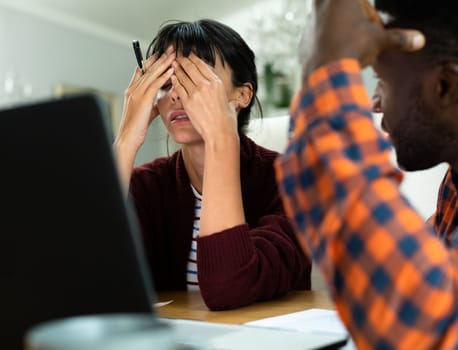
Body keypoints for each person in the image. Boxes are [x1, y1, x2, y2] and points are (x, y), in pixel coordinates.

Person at [274, 0, 458, 348]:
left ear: (445, 87)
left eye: (381, 80)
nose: (373, 103)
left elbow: (422, 326)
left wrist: (326, 70)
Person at [113, 19, 311, 311]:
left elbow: (230, 288)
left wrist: (221, 137)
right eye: (165, 84)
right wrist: (126, 140)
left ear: (242, 95)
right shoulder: (145, 185)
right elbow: (81, 282)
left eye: (196, 81)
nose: (177, 95)